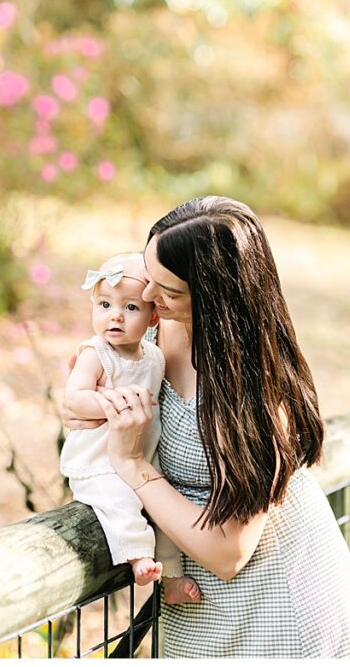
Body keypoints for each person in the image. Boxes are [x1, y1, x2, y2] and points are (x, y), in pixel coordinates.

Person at [61, 196, 350, 658]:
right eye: (149, 278)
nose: (147, 299)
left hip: (276, 607)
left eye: (167, 290)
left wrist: (131, 464)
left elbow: (229, 553)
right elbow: (83, 406)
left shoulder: (258, 391)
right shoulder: (147, 332)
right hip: (196, 604)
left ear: (214, 298)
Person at [62, 252, 200, 605]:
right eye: (104, 304)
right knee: (121, 502)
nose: (115, 317)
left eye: (130, 308)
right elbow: (75, 401)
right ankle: (138, 557)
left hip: (141, 458)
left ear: (153, 315)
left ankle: (171, 577)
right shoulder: (96, 353)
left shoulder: (153, 356)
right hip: (98, 463)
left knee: (165, 511)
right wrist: (112, 403)